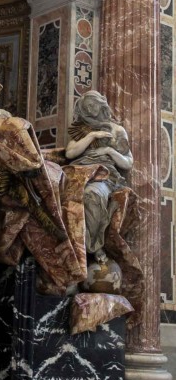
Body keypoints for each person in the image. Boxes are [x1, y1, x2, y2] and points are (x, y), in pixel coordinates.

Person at [65, 90, 133, 263]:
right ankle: (67, 248)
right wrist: (91, 136)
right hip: (78, 173)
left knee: (92, 195)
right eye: (87, 106)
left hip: (103, 176)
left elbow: (128, 162)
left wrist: (109, 151)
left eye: (93, 104)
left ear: (101, 104)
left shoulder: (117, 130)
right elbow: (71, 152)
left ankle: (92, 246)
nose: (90, 108)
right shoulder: (81, 129)